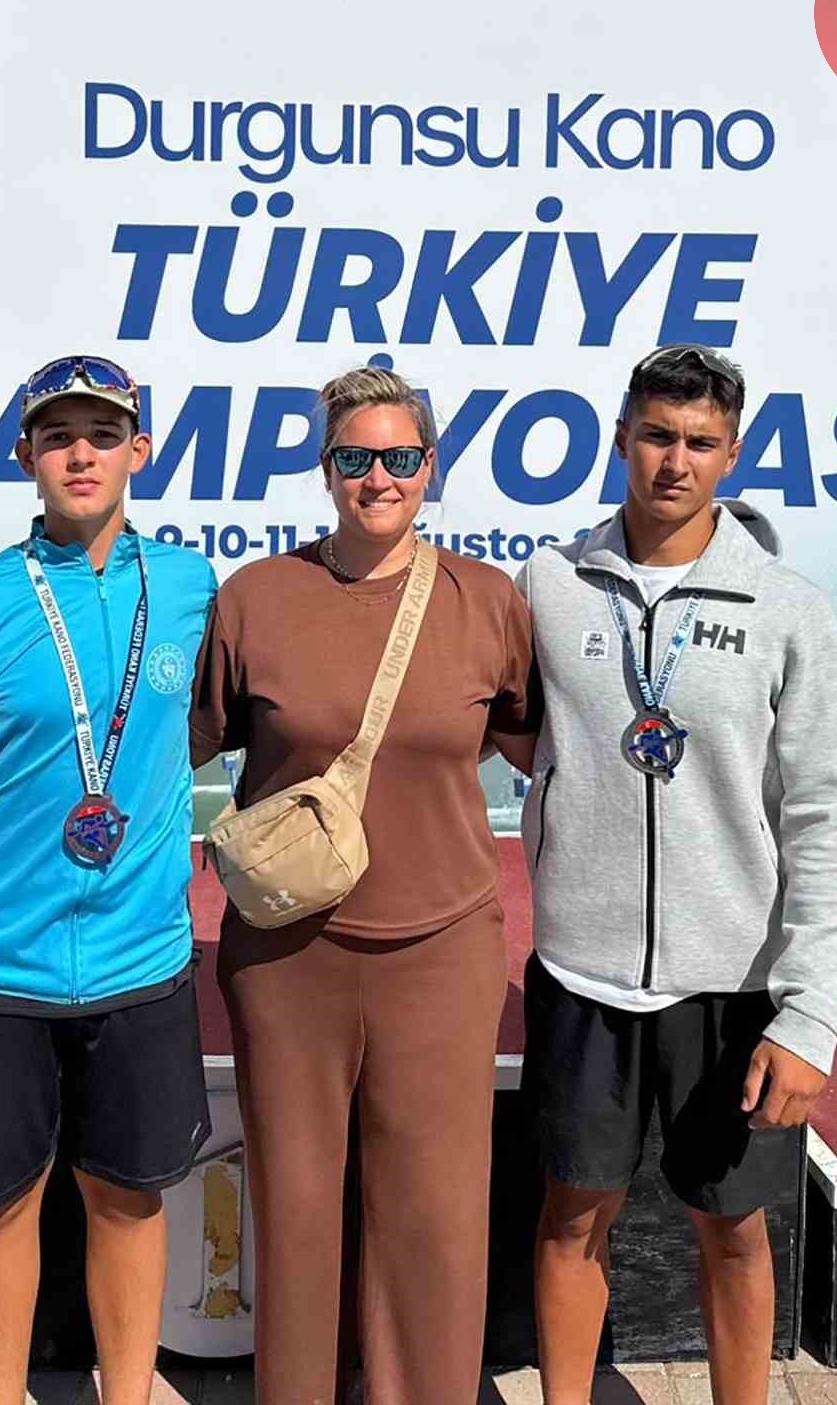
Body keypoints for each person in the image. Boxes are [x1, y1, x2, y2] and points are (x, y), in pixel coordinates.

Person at [510, 344, 837, 1405]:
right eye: (657, 435)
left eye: (700, 442)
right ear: (621, 437)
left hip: (733, 983)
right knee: (571, 1218)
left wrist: (811, 1015)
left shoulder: (787, 606)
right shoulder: (548, 584)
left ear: (732, 453)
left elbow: (825, 813)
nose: (676, 461)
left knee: (733, 1226)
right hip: (582, 972)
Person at [0, 355, 217, 1405]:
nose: (81, 454)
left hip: (143, 963)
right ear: (24, 455)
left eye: (102, 434)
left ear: (139, 450)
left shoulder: (190, 589)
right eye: (58, 436)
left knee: (130, 1200)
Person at [189, 365, 540, 1405]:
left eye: (399, 456)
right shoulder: (255, 597)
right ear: (325, 467)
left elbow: (544, 751)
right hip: (287, 957)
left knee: (434, 1220)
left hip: (443, 952)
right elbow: (181, 745)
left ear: (429, 466)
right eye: (354, 456)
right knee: (295, 1212)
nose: (377, 477)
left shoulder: (489, 600)